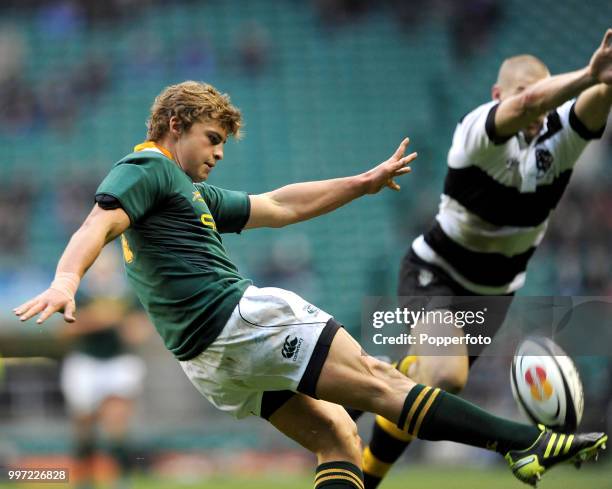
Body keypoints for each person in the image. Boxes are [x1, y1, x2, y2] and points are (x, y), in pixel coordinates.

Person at [14, 79, 607, 489]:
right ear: (176, 125)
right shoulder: (149, 167)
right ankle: (522, 442)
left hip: (208, 361)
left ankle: (516, 444)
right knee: (379, 381)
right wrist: (67, 279)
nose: (218, 153)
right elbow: (99, 220)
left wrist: (362, 182)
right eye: (212, 139)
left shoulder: (184, 192)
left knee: (338, 440)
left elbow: (278, 205)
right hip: (237, 320)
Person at [358, 29, 612, 488]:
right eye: (520, 91)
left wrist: (606, 83)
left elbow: (591, 105)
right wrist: (590, 74)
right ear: (498, 95)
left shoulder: (559, 143)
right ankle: (372, 397)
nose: (536, 104)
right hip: (434, 272)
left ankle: (366, 470)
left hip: (495, 294)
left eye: (541, 92)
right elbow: (531, 103)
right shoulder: (478, 131)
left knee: (430, 385)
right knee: (445, 373)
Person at [59, 246, 149, 489]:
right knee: (84, 425)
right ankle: (84, 479)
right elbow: (67, 329)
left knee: (116, 423)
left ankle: (122, 478)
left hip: (119, 361)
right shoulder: (79, 294)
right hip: (85, 362)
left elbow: (139, 333)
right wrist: (100, 319)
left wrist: (121, 322)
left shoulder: (128, 295)